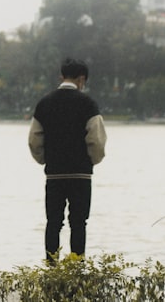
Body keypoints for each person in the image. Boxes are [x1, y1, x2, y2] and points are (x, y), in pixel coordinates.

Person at [28, 57, 107, 263]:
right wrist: (90, 161)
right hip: (80, 174)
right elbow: (96, 140)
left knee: (53, 222)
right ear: (81, 79)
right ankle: (77, 267)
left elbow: (34, 139)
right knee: (79, 222)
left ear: (62, 76)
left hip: (54, 174)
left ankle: (51, 265)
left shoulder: (44, 103)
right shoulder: (88, 104)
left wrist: (45, 160)